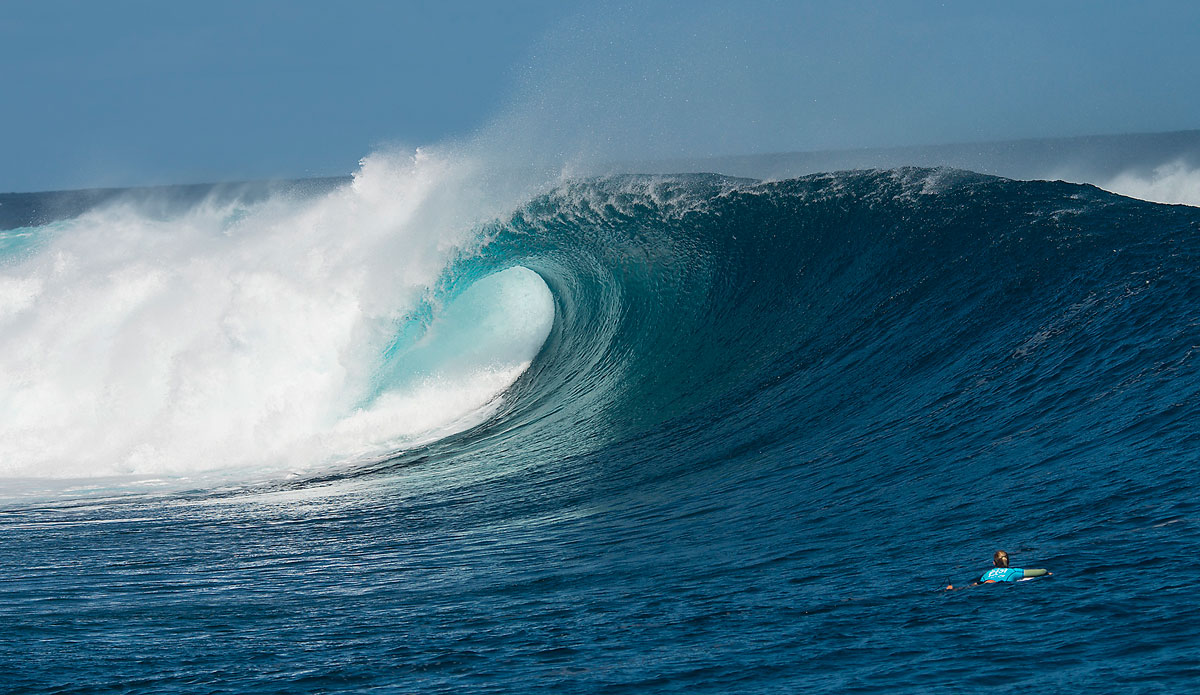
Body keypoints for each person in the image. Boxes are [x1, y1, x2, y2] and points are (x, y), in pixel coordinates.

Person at [945, 550, 1051, 590]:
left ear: (994, 563)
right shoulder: (1013, 572)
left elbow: (978, 583)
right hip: (1001, 588)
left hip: (985, 586)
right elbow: (1041, 571)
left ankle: (952, 589)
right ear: (1008, 561)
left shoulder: (987, 573)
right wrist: (1047, 573)